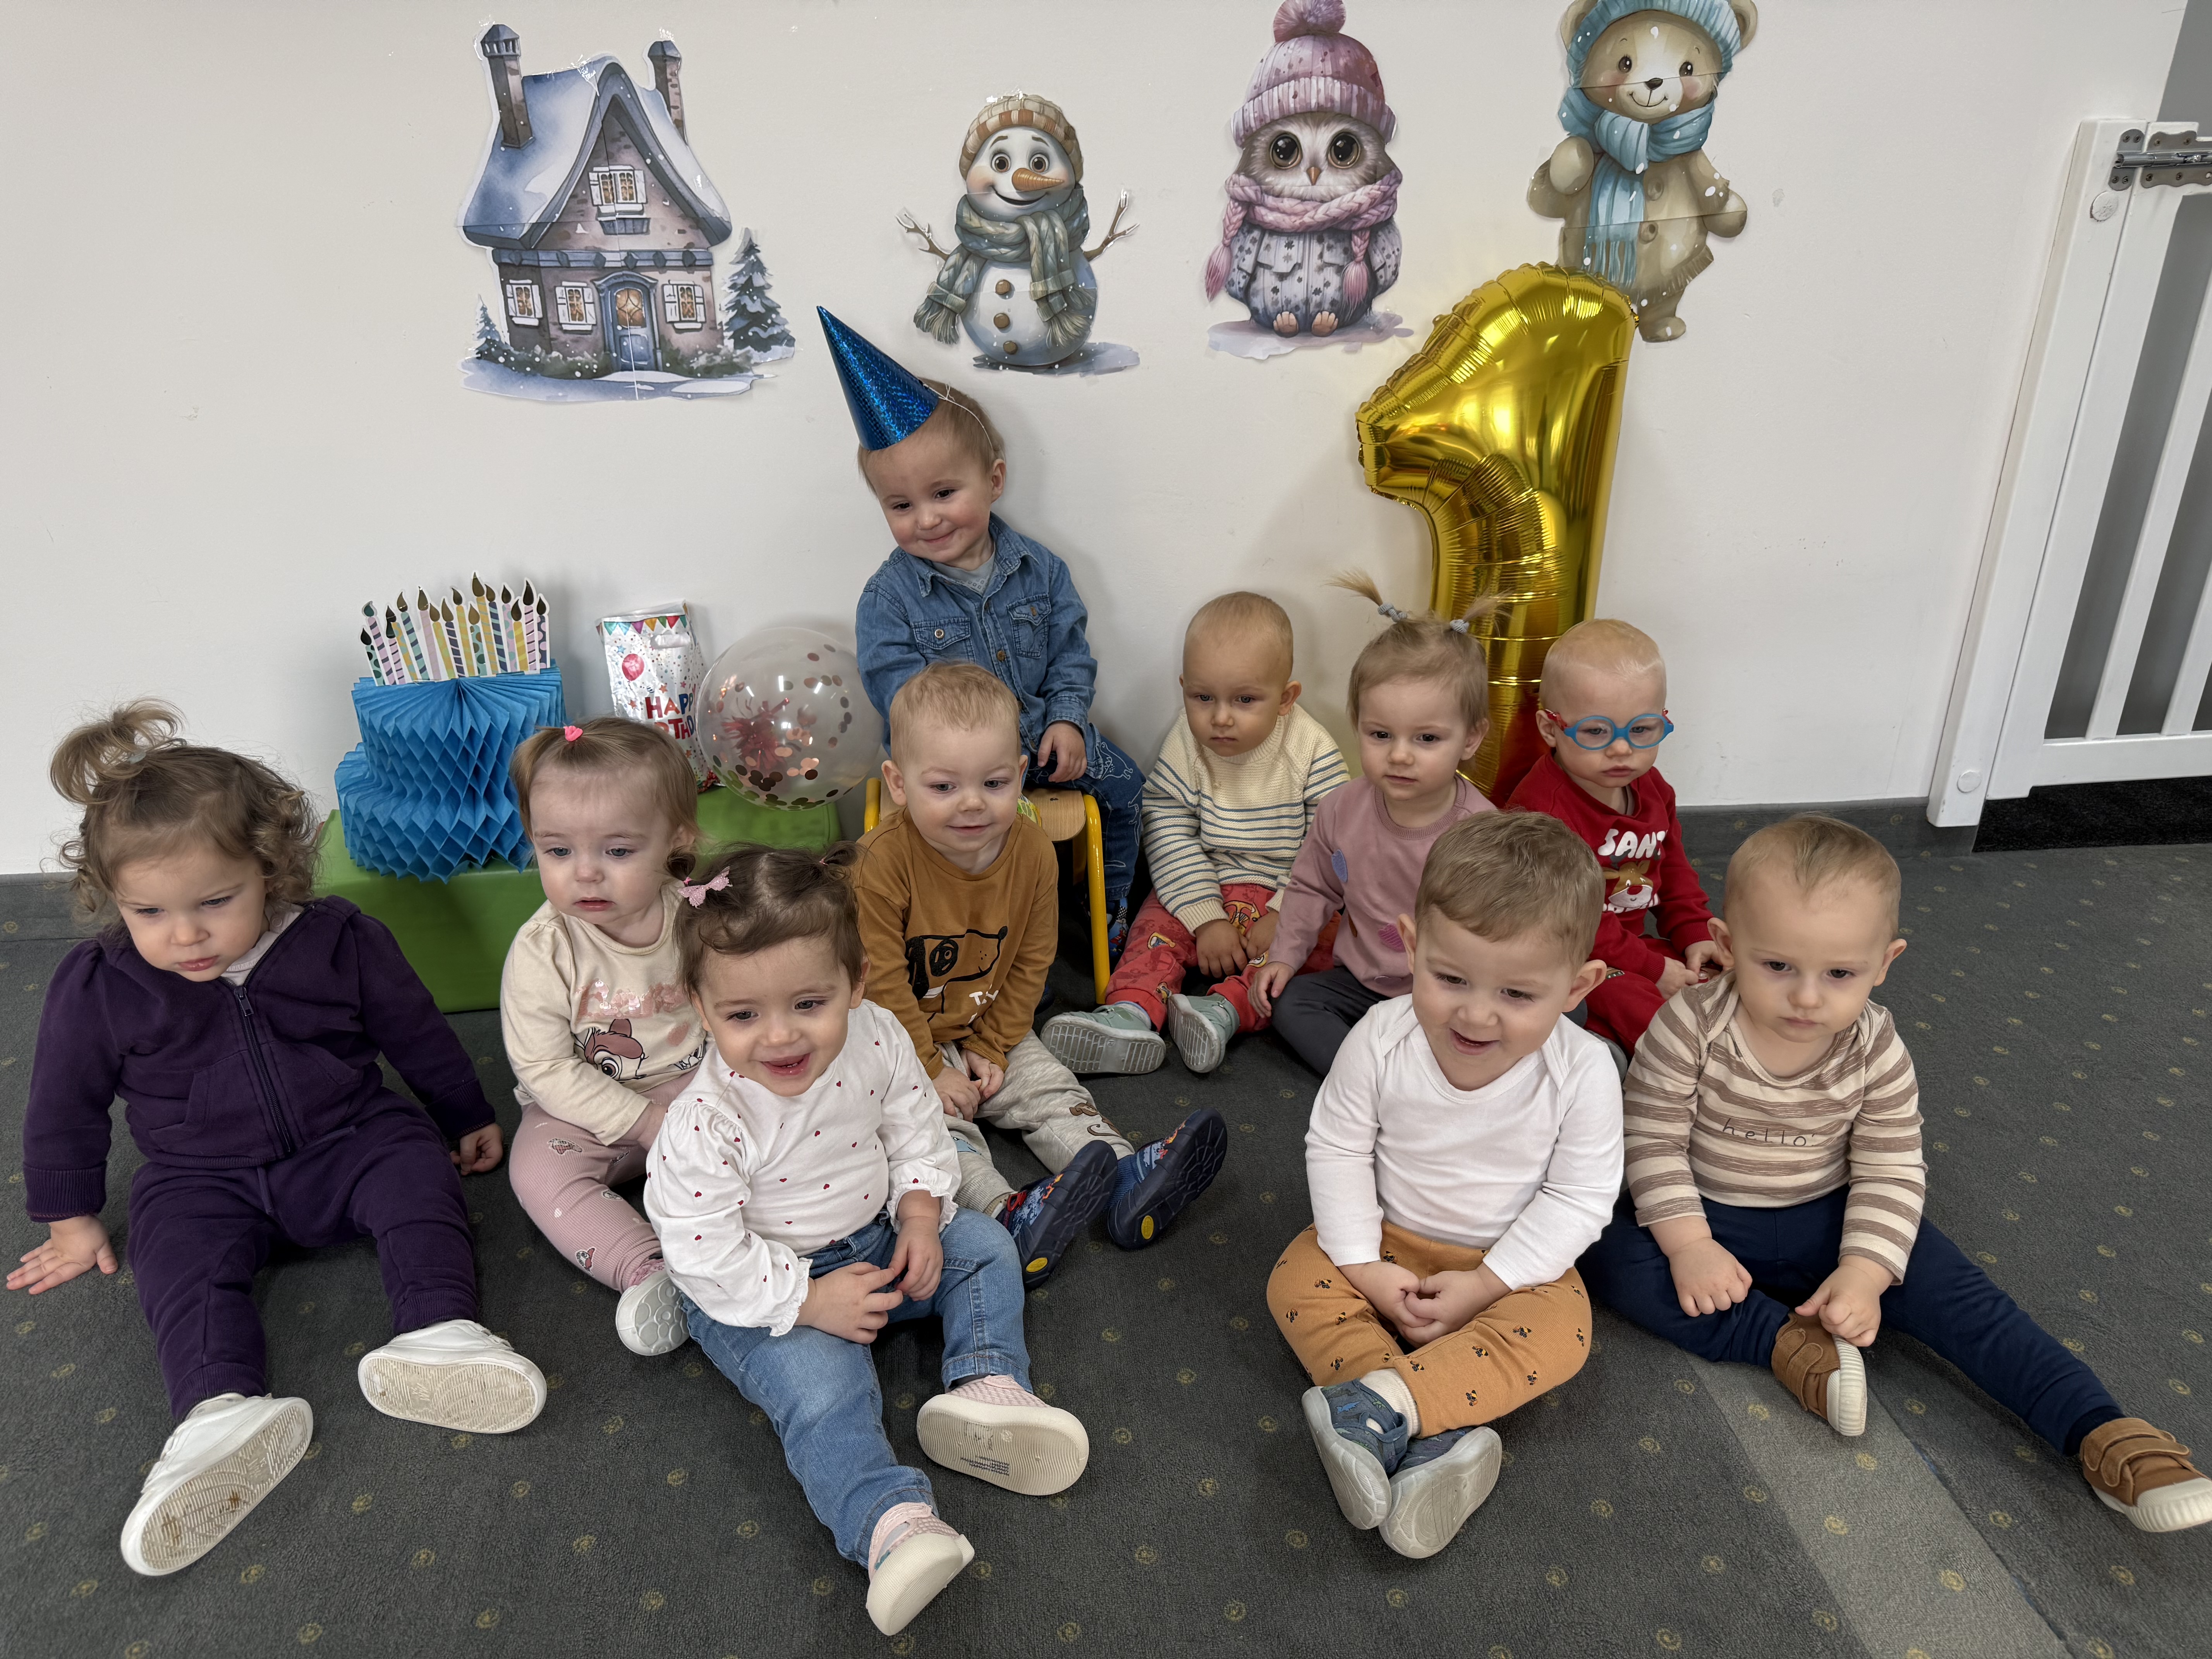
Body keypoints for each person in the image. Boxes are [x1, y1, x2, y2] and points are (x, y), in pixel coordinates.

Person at [10, 703, 543, 1578]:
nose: (185, 934)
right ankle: (218, 1412)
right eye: (148, 911)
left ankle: (440, 1332)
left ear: (270, 866)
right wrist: (70, 1217)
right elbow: (61, 1104)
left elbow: (414, 1029)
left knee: (418, 1181)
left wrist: (463, 1113)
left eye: (215, 902)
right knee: (174, 1260)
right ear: (113, 898)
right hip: (198, 1174)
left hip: (349, 1136)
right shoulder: (100, 983)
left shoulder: (339, 938)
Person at [1580, 815, 2212, 1534]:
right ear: (1727, 945)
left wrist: (1866, 1270)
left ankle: (2099, 1427)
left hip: (1832, 1214)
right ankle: (1782, 1343)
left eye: (1839, 973)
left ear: (1885, 962)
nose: (1807, 997)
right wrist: (1689, 1244)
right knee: (1601, 1250)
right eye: (1777, 965)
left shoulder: (1876, 1045)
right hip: (1707, 1213)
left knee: (1968, 1300)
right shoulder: (1688, 1025)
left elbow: (1891, 1165)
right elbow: (1652, 1140)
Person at [646, 842, 1091, 1636]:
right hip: (762, 1288)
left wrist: (919, 1212)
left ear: (857, 982)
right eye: (743, 1015)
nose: (780, 1037)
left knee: (986, 1248)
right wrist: (808, 1301)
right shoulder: (706, 1121)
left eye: (808, 1003)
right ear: (701, 1008)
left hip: (875, 1237)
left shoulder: (878, 1034)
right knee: (825, 1394)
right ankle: (890, 1526)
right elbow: (703, 1249)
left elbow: (914, 1124)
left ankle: (987, 1386)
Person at [1267, 811, 1620, 1558]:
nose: (1476, 1012)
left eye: (1517, 993)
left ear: (1577, 985)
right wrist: (1363, 1263)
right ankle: (1434, 1429)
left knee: (1565, 1329)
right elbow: (1337, 1146)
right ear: (1412, 943)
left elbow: (1580, 1197)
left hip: (1507, 1262)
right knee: (1295, 1278)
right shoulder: (1379, 1036)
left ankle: (1383, 1403)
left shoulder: (1585, 1069)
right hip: (1387, 1238)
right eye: (1450, 977)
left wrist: (1487, 1284)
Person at [854, 662, 1225, 1285]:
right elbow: (883, 985)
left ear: (1021, 774)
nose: (973, 803)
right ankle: (1007, 1214)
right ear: (898, 783)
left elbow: (1032, 958)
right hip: (899, 1042)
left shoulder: (1030, 850)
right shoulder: (879, 866)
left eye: (995, 782)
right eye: (943, 787)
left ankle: (1127, 1178)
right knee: (930, 1135)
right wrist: (932, 1067)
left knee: (1050, 1090)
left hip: (989, 1018)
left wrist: (994, 1043)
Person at [826, 308, 1145, 955]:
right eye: (901, 505)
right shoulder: (888, 600)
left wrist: (1067, 720)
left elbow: (1070, 655)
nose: (927, 519)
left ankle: (1107, 911)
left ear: (993, 481)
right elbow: (903, 700)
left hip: (1044, 744)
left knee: (1128, 786)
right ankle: (972, 939)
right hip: (955, 774)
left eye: (944, 493)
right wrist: (966, 773)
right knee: (956, 844)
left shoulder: (1041, 570)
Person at [1042, 591, 1347, 1076]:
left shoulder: (1312, 748)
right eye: (1203, 698)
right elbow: (1167, 827)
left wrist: (1287, 911)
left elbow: (1333, 840)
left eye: (1245, 700)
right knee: (1153, 931)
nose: (1220, 717)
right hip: (1204, 880)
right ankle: (1131, 1012)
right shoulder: (1187, 739)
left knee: (1319, 947)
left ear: (1286, 699)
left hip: (1287, 891)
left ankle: (1224, 1011)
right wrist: (1206, 919)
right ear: (1184, 688)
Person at [499, 717, 710, 1357]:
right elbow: (545, 1067)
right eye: (558, 852)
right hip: (585, 1107)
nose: (585, 874)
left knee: (781, 1113)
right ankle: (647, 1268)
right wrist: (642, 1122)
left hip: (698, 1082)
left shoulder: (697, 914)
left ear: (675, 839)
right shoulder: (545, 948)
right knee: (536, 1171)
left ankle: (774, 1240)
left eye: (617, 852)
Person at [1253, 573, 1498, 1075]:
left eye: (1427, 739)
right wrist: (1284, 956)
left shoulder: (1480, 833)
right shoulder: (1341, 809)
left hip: (1452, 999)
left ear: (1471, 739)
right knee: (1292, 1002)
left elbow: (1500, 936)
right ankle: (1380, 1081)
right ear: (1359, 725)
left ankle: (1421, 1072)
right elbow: (1311, 887)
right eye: (1381, 734)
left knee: (1559, 1012)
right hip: (1363, 986)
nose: (1400, 755)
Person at [1506, 618, 1716, 1056]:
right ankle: (1684, 1069)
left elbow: (1675, 871)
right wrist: (1654, 969)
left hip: (1632, 946)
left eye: (1641, 730)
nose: (1622, 749)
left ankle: (1734, 1053)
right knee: (1630, 1001)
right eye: (1596, 732)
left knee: (1728, 975)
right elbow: (1568, 921)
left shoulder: (1653, 788)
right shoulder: (1542, 812)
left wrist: (1696, 934)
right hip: (1567, 955)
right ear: (1550, 729)